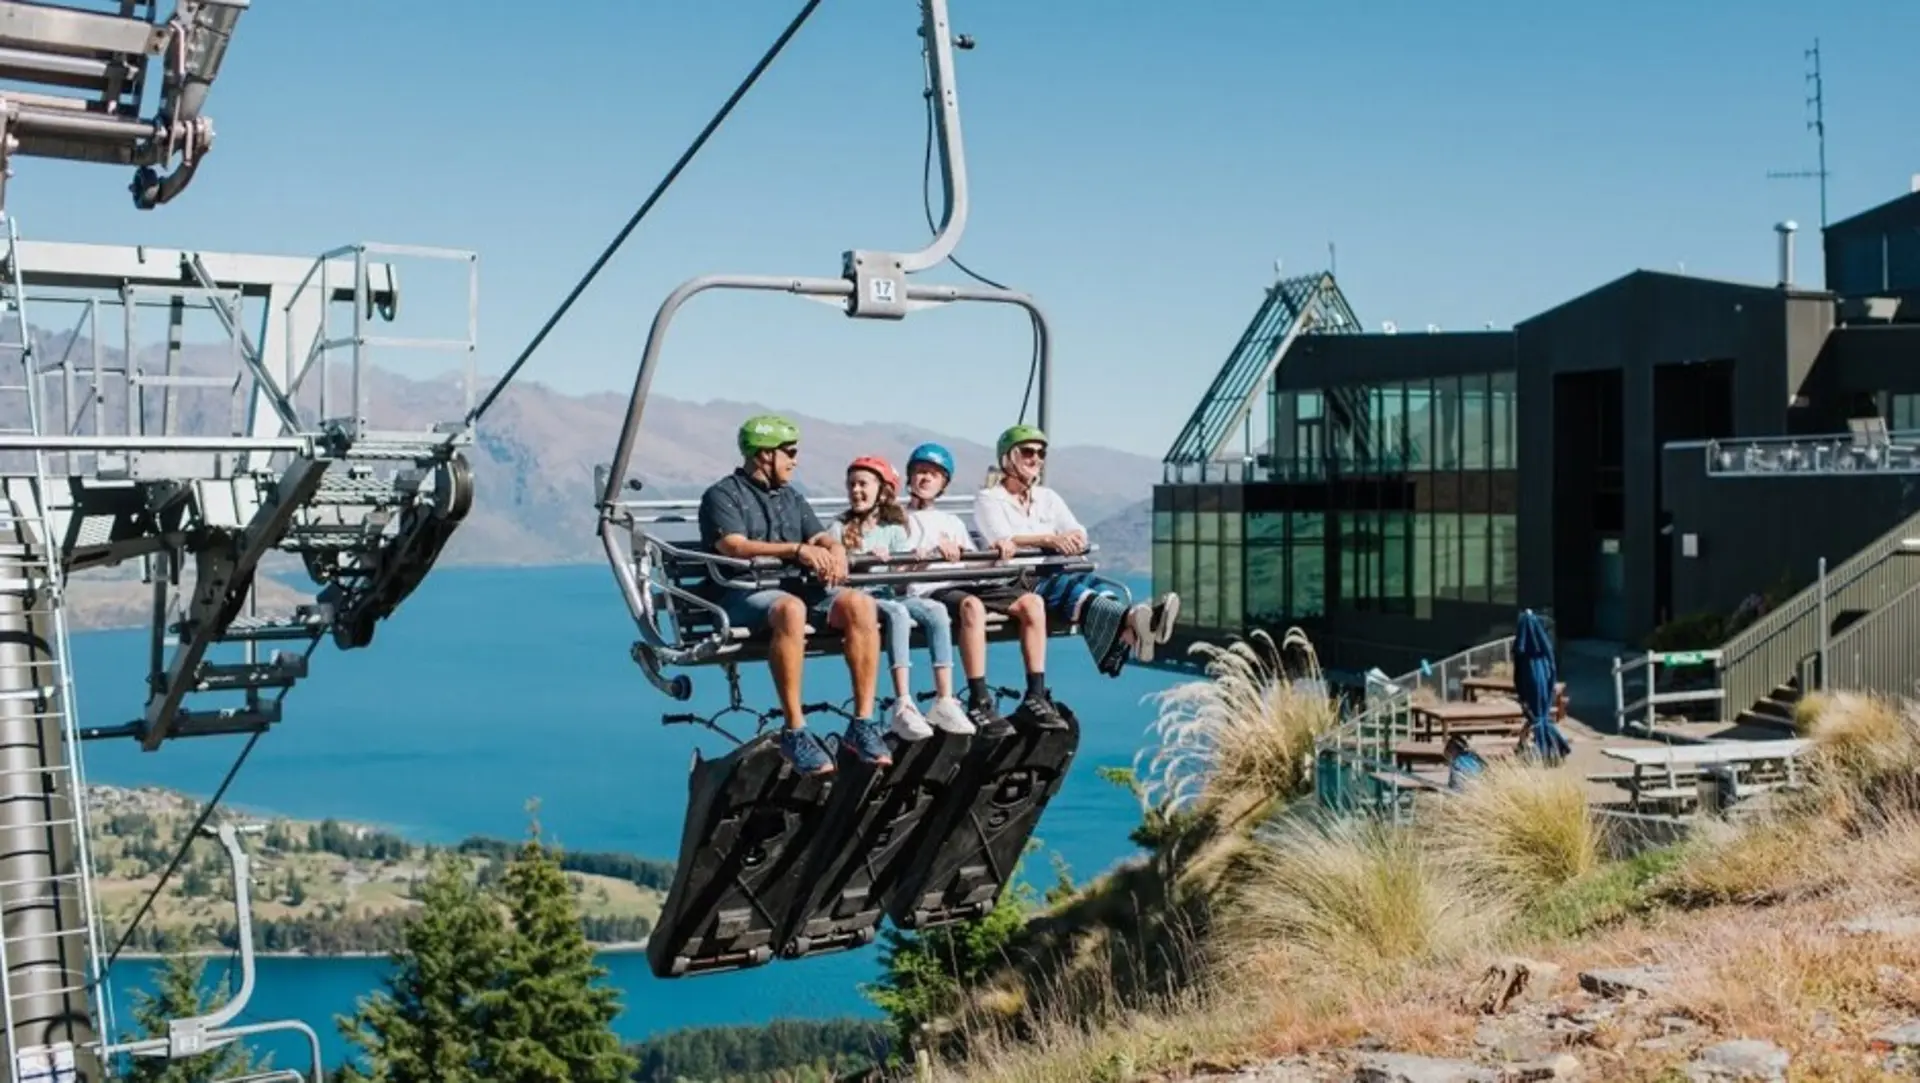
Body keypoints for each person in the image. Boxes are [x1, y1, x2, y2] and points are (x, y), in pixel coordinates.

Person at [697, 414, 891, 776]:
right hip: (744, 594)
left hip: (800, 592)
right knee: (790, 609)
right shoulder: (722, 496)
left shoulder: (791, 498)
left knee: (861, 604)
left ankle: (862, 723)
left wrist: (833, 549)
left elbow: (819, 535)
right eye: (789, 452)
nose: (794, 460)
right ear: (763, 455)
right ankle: (795, 730)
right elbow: (733, 545)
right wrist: (796, 551)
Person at [972, 424, 1179, 679]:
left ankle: (1131, 629)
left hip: (1052, 568)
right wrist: (1050, 539)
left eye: (1041, 453)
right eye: (1027, 452)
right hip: (1019, 579)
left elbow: (1076, 529)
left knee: (1091, 585)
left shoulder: (1047, 497)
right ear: (1008, 457)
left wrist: (1074, 539)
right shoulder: (989, 498)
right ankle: (1134, 623)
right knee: (1071, 592)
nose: (1035, 458)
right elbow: (1002, 537)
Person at [899, 442, 1055, 736]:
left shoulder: (952, 521)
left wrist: (998, 551)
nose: (925, 479)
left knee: (1032, 603)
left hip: (965, 581)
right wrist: (931, 552)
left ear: (944, 482)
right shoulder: (899, 519)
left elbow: (975, 565)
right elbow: (895, 568)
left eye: (933, 474)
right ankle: (979, 698)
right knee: (972, 607)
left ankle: (1036, 692)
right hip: (930, 587)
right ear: (910, 477)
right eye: (920, 472)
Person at [836, 455, 975, 742]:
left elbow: (900, 578)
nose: (856, 491)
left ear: (882, 491)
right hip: (862, 599)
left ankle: (944, 699)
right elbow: (836, 569)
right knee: (899, 615)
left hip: (889, 592)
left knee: (935, 610)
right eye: (852, 485)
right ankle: (903, 701)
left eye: (863, 484)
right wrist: (862, 562)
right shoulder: (840, 528)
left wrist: (913, 563)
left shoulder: (893, 529)